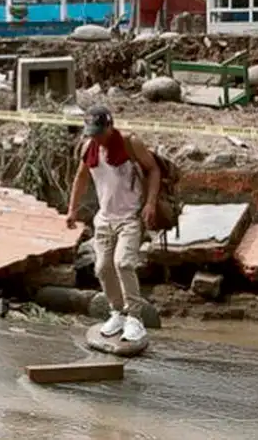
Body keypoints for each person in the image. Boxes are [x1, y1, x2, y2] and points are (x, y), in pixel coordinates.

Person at [66, 105, 160, 343]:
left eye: (99, 132)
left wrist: (150, 204)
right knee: (102, 268)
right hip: (105, 219)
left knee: (124, 263)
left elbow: (153, 170)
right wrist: (72, 210)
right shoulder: (90, 147)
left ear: (110, 126)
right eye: (91, 132)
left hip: (130, 217)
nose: (95, 137)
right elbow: (81, 177)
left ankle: (135, 318)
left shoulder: (131, 143)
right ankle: (117, 312)